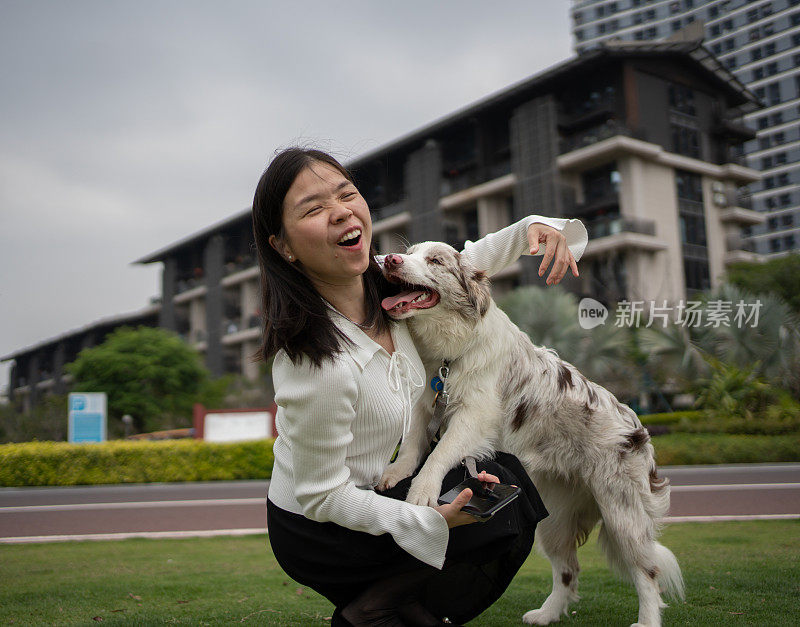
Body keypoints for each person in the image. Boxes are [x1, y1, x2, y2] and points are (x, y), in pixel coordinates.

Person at [252, 147, 587, 626]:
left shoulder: (388, 292)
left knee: (500, 486)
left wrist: (538, 226)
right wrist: (427, 520)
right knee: (474, 509)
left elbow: (466, 261)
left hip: (368, 491)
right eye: (313, 208)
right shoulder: (316, 363)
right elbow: (322, 498)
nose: (342, 210)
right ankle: (371, 607)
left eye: (346, 194)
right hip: (316, 529)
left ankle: (399, 599)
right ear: (284, 246)